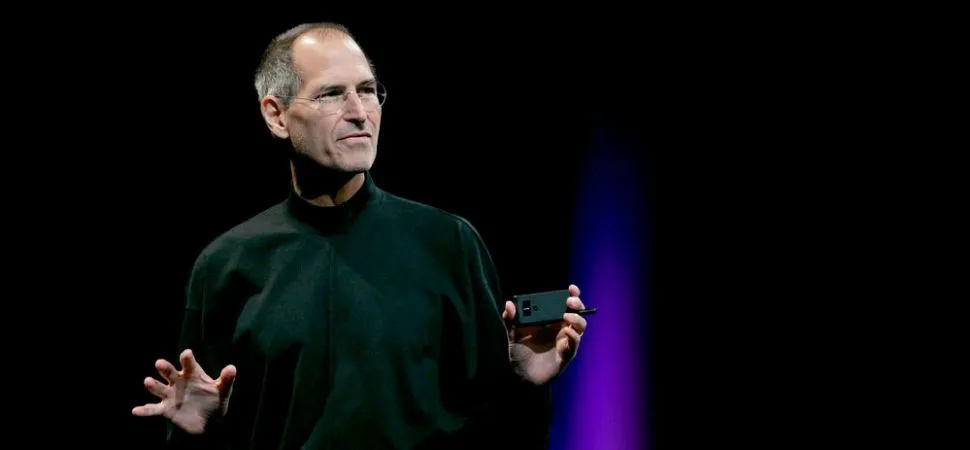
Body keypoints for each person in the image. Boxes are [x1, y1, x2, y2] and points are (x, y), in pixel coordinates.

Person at [131, 22, 589, 450]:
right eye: (331, 94)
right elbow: (204, 420)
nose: (359, 113)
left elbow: (500, 428)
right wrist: (201, 432)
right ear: (276, 116)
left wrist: (525, 384)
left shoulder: (449, 243)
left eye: (368, 91)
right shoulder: (227, 264)